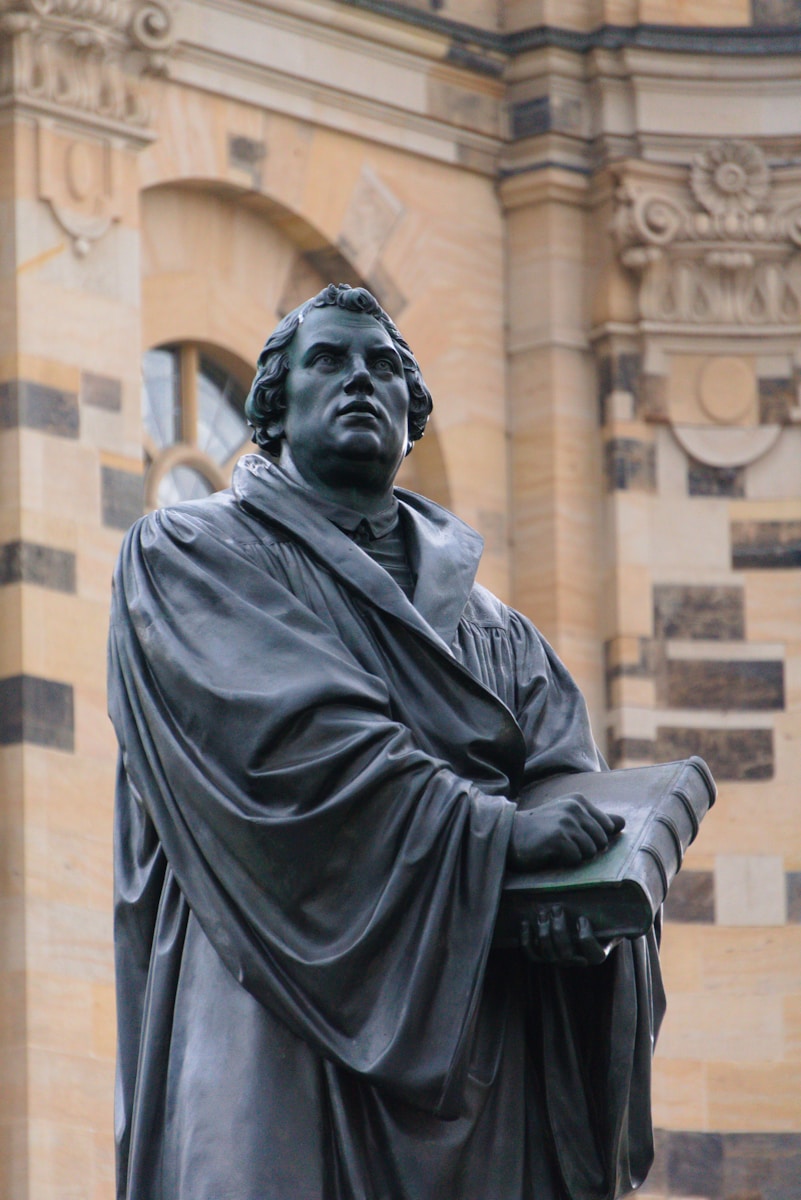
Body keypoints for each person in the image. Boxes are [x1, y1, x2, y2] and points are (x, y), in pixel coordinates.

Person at [108, 284, 664, 1200]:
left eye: (384, 367)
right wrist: (495, 837)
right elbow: (288, 745)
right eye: (328, 360)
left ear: (413, 425)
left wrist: (590, 916)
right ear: (272, 411)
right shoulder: (187, 553)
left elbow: (571, 787)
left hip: (479, 1044)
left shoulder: (503, 633)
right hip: (271, 991)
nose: (360, 379)